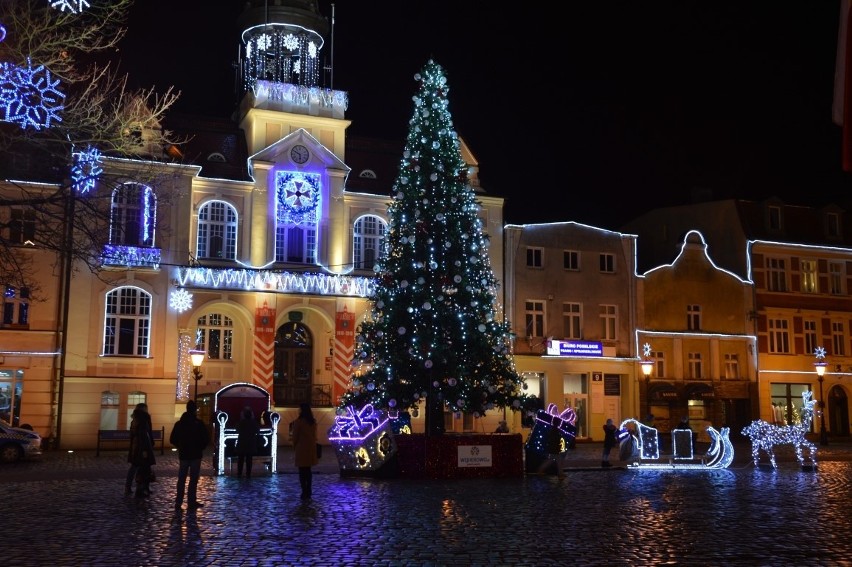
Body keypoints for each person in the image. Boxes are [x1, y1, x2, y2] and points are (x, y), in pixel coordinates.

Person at [170, 400, 210, 511]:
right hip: (196, 455)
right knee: (193, 479)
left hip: (184, 454)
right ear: (194, 410)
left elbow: (172, 439)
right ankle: (191, 501)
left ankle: (178, 501)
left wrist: (180, 445)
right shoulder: (198, 423)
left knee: (181, 479)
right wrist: (200, 447)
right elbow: (206, 438)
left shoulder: (179, 424)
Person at [127, 403, 156, 499]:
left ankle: (131, 487)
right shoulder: (143, 419)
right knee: (142, 467)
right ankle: (141, 488)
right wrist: (146, 448)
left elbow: (134, 435)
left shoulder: (135, 420)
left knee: (136, 467)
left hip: (136, 447)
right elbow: (144, 434)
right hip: (143, 448)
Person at [291, 403, 318, 499]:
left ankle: (304, 491)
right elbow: (315, 435)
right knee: (308, 470)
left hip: (301, 448)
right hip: (310, 448)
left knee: (302, 471)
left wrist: (294, 445)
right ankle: (309, 490)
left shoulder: (298, 422)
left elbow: (295, 436)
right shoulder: (312, 422)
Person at [236, 407, 260, 478]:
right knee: (249, 459)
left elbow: (237, 429)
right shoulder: (254, 423)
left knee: (240, 459)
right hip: (250, 443)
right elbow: (257, 431)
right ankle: (248, 473)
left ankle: (239, 473)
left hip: (242, 442)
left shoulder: (241, 423)